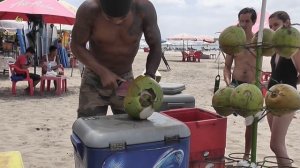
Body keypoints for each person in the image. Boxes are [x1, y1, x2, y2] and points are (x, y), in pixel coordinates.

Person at [71, 0, 162, 118]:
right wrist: (103, 72)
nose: (116, 22)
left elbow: (156, 46)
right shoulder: (89, 9)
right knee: (88, 127)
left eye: (122, 17)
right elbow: (76, 45)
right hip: (94, 79)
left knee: (131, 129)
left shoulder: (144, 9)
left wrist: (149, 76)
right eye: (109, 18)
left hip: (125, 80)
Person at [223, 7, 257, 160]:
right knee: (221, 111)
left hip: (251, 86)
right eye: (241, 21)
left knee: (250, 123)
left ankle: (246, 155)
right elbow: (227, 66)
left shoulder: (258, 43)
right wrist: (228, 82)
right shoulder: (234, 44)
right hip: (235, 84)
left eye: (247, 21)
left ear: (253, 22)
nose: (243, 24)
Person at [267, 11, 300, 167]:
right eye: (271, 26)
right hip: (272, 97)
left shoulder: (294, 48)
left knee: (276, 144)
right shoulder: (278, 50)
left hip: (286, 99)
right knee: (278, 145)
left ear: (287, 23)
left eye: (276, 25)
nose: (273, 29)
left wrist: (290, 84)